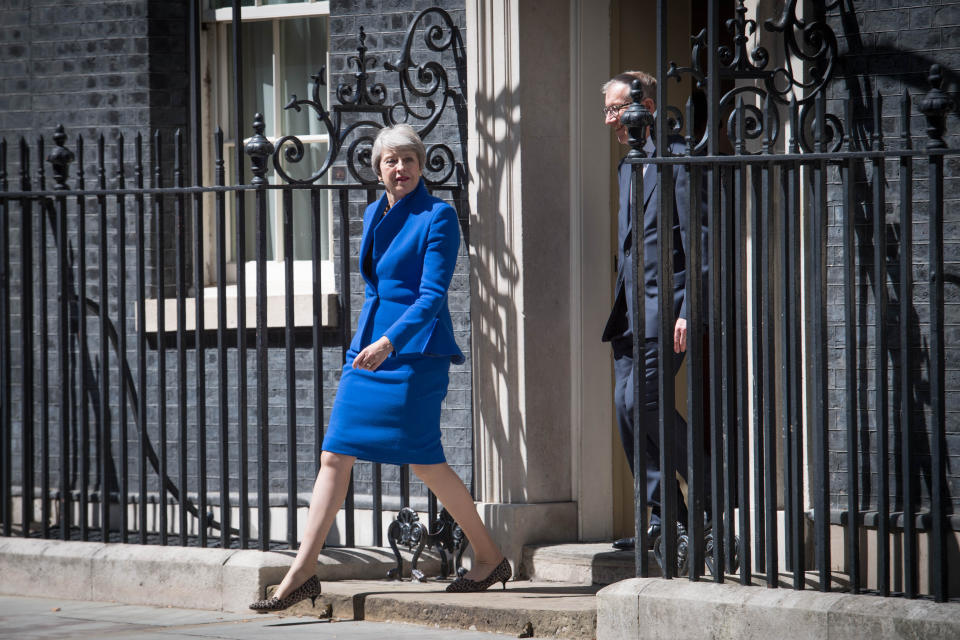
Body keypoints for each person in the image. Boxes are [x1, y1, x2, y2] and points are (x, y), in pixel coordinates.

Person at [250, 124, 510, 611]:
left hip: (412, 353)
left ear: (420, 164)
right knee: (334, 454)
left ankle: (490, 555)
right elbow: (375, 287)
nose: (400, 169)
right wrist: (367, 343)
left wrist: (390, 343)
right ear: (378, 169)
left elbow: (432, 298)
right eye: (391, 161)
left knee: (424, 459)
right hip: (366, 349)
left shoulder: (439, 216)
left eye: (408, 159)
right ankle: (304, 569)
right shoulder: (372, 212)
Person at [601, 71, 707, 551]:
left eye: (617, 109)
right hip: (629, 311)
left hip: (668, 307)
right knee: (626, 414)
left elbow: (697, 240)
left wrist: (689, 309)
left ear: (644, 106)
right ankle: (670, 516)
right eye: (608, 111)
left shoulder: (679, 159)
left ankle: (711, 490)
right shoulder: (628, 165)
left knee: (640, 402)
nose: (611, 120)